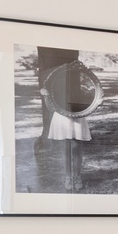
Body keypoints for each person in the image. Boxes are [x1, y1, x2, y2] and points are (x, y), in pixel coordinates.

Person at [36, 50, 103, 193]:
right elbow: (51, 108)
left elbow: (89, 98)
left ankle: (77, 177)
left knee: (76, 147)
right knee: (67, 148)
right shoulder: (54, 83)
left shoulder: (80, 83)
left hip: (78, 115)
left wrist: (97, 100)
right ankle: (68, 177)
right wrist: (46, 97)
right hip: (61, 116)